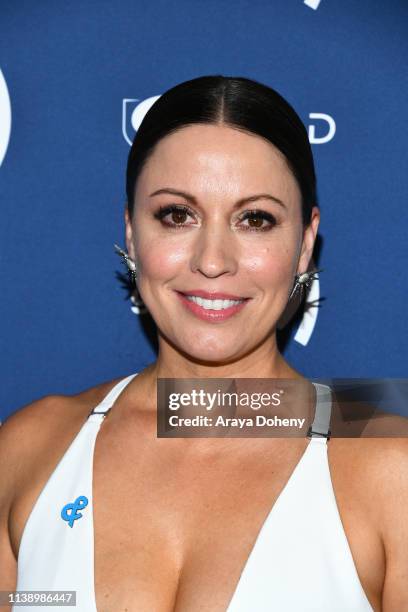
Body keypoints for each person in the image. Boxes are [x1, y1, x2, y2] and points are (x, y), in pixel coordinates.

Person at [0, 75, 407, 612]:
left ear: (305, 243)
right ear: (131, 233)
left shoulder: (390, 461)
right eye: (177, 215)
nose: (213, 260)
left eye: (255, 219)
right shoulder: (30, 449)